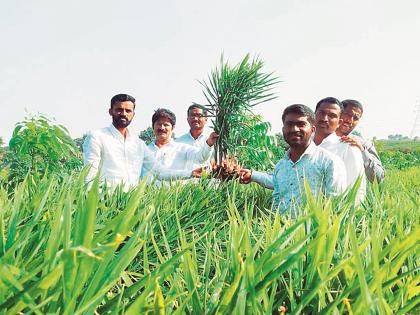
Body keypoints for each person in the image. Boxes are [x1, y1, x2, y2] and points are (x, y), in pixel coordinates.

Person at [240, 104, 346, 216]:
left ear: (312, 129)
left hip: (315, 232)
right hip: (282, 231)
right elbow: (277, 203)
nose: (294, 129)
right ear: (283, 129)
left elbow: (336, 205)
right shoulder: (281, 166)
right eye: (289, 124)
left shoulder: (329, 161)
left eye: (301, 124)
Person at [83, 94, 207, 190]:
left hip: (131, 205)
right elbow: (89, 176)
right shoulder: (97, 137)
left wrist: (190, 173)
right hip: (105, 201)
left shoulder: (138, 144)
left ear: (133, 114)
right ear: (111, 111)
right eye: (119, 110)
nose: (123, 114)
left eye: (128, 111)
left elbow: (160, 172)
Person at [140, 108, 217, 181]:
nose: (162, 128)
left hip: (176, 194)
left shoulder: (183, 149)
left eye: (166, 124)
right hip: (148, 194)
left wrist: (209, 143)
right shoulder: (145, 151)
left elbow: (201, 157)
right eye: (159, 124)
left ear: (173, 127)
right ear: (153, 126)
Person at [313, 97, 366, 203]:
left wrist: (351, 217)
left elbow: (356, 189)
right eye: (321, 113)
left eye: (332, 116)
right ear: (313, 116)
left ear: (339, 121)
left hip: (332, 214)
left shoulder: (348, 147)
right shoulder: (303, 145)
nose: (325, 119)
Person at [336, 99, 385, 183]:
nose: (350, 120)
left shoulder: (364, 144)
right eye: (347, 114)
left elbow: (379, 178)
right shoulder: (320, 139)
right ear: (338, 114)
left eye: (355, 118)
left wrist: (362, 150)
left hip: (352, 194)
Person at [176, 104, 213, 169]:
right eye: (192, 115)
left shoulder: (212, 141)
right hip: (184, 178)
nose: (195, 119)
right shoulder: (178, 142)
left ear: (206, 119)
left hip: (207, 178)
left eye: (199, 116)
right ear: (187, 119)